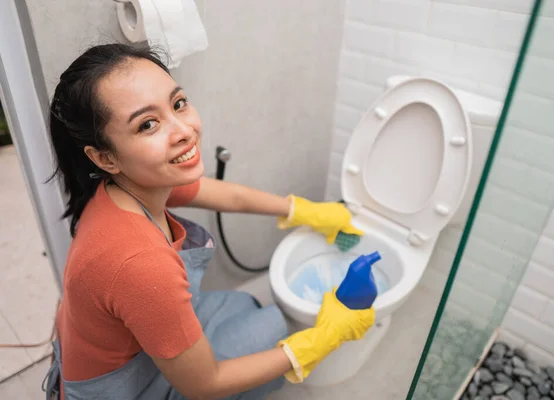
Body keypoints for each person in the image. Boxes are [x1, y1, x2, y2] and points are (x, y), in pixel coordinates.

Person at [42, 43, 374, 400]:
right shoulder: (140, 263)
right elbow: (205, 384)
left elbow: (233, 197)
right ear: (105, 157)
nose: (184, 130)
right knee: (272, 331)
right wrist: (319, 342)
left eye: (178, 103)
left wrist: (304, 211)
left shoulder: (128, 184)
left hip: (122, 351)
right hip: (120, 389)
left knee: (248, 308)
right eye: (148, 124)